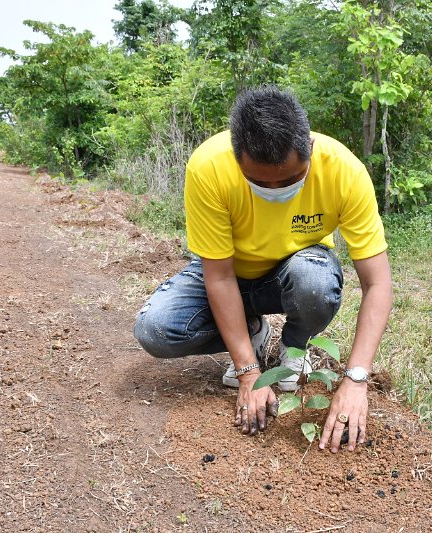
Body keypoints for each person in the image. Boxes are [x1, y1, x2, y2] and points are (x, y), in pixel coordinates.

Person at [133, 86, 392, 453]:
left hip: (296, 270)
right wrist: (248, 372)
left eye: (289, 180)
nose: (274, 189)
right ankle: (251, 333)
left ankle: (295, 346)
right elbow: (219, 276)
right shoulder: (209, 166)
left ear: (310, 151)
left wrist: (356, 379)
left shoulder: (344, 170)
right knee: (155, 330)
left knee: (314, 282)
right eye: (259, 182)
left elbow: (378, 283)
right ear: (238, 160)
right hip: (231, 275)